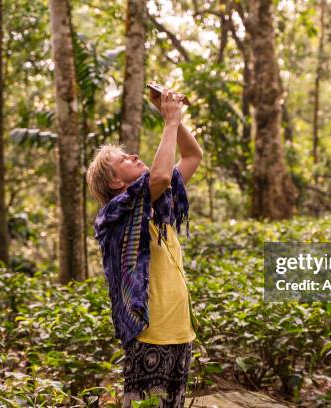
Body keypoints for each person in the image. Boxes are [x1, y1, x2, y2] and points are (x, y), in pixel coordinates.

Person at [86, 87, 203, 408]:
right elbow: (163, 176)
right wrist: (169, 121)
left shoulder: (158, 204)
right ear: (115, 183)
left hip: (179, 331)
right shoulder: (115, 215)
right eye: (125, 159)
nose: (135, 156)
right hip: (149, 334)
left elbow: (192, 156)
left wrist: (174, 121)